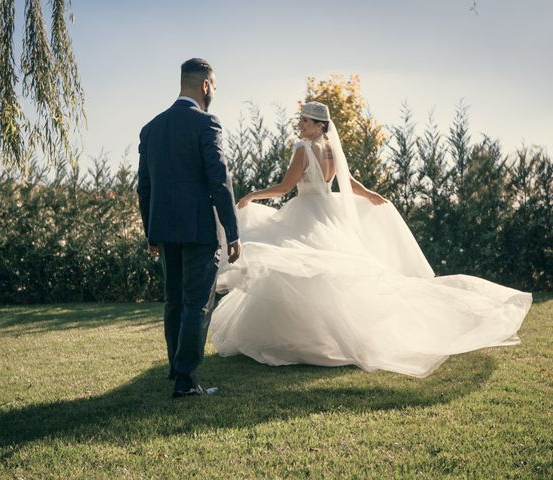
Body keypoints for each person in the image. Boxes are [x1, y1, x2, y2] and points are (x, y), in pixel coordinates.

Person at [210, 101, 531, 378]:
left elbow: (284, 186)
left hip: (306, 211)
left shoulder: (302, 148)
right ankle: (324, 337)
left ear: (318, 124)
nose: (299, 126)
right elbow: (348, 182)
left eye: (304, 121)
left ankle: (305, 339)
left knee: (298, 267)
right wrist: (371, 194)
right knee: (326, 272)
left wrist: (253, 195)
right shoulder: (333, 148)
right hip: (329, 213)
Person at [137, 58, 241, 398]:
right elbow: (219, 182)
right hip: (197, 230)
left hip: (164, 230)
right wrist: (233, 231)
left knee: (174, 302)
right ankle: (186, 380)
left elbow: (145, 188)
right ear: (206, 86)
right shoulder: (207, 123)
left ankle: (176, 369)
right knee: (197, 303)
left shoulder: (151, 128)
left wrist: (150, 233)